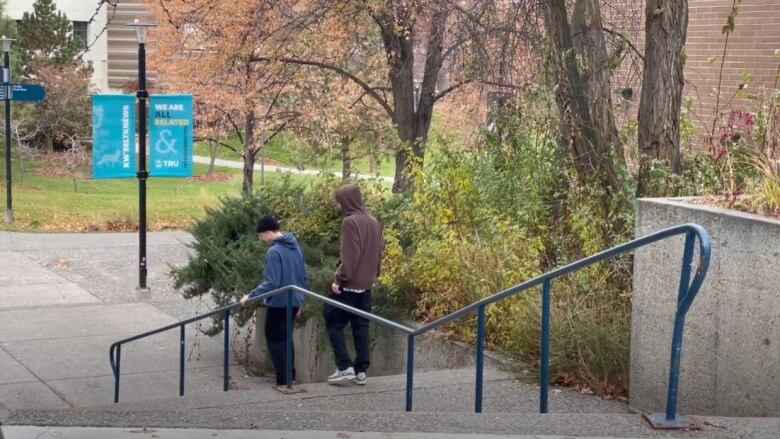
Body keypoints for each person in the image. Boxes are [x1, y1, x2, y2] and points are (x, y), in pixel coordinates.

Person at [325, 184, 383, 385]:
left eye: (341, 201)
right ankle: (361, 370)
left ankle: (344, 367)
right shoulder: (373, 222)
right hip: (366, 286)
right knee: (361, 327)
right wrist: (375, 274)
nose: (340, 206)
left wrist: (339, 279)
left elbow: (350, 255)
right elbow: (379, 252)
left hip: (348, 286)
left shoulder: (350, 223)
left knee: (333, 323)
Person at [240, 216, 308, 387]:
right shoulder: (296, 247)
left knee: (275, 340)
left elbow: (272, 282)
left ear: (269, 232)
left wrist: (251, 296)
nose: (261, 239)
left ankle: (283, 380)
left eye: (261, 235)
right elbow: (303, 277)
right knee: (286, 339)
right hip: (294, 302)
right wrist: (301, 301)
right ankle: (290, 377)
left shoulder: (274, 252)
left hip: (278, 303)